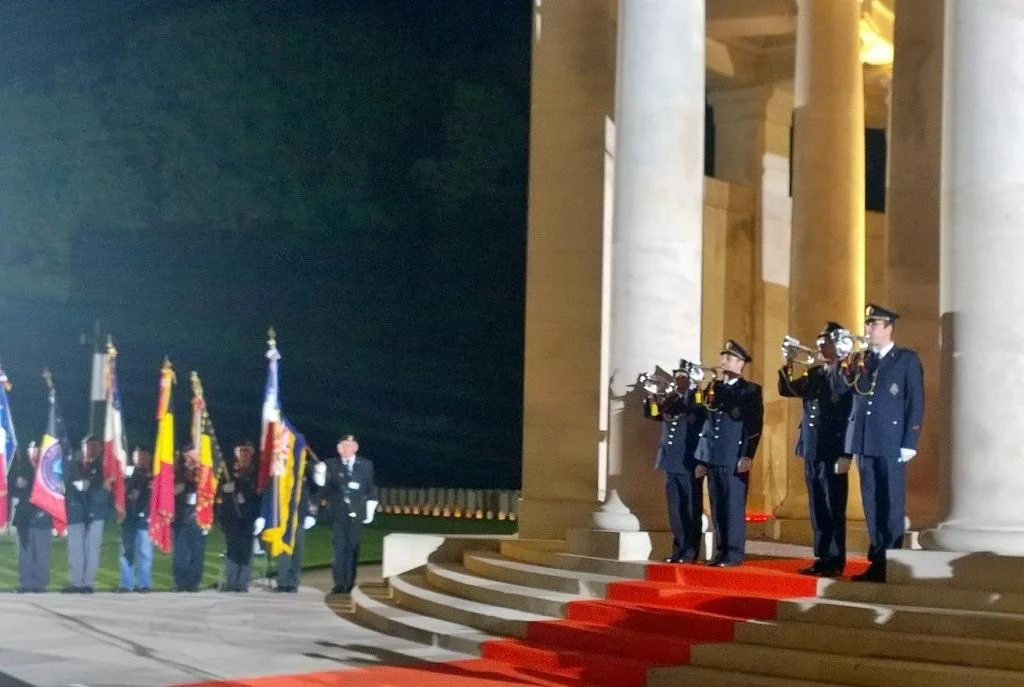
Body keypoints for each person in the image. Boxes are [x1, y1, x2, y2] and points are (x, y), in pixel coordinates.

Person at [832, 304, 924, 583]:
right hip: (865, 440)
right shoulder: (862, 360)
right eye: (868, 324)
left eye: (874, 324)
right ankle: (877, 560)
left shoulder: (905, 359)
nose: (869, 329)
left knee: (891, 503)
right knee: (872, 503)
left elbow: (915, 401)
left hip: (892, 441)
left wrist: (910, 440)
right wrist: (844, 362)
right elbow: (841, 391)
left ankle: (891, 561)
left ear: (888, 328)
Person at [779, 322, 852, 577]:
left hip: (833, 447)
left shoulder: (845, 372)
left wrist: (846, 453)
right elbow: (788, 389)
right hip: (812, 445)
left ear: (837, 345)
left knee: (834, 506)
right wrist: (789, 362)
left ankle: (835, 559)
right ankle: (822, 556)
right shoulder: (816, 373)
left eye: (825, 341)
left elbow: (848, 411)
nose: (820, 345)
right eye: (819, 341)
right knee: (818, 505)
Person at [694, 340, 764, 567]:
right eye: (723, 357)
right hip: (715, 455)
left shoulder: (750, 389)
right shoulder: (716, 388)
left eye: (729, 358)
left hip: (734, 455)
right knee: (717, 506)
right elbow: (707, 422)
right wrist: (702, 458)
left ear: (740, 363)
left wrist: (748, 455)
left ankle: (733, 553)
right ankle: (720, 551)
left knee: (733, 506)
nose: (723, 362)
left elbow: (753, 425)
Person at [643, 363, 705, 563]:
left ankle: (690, 551)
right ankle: (678, 549)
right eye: (676, 377)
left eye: (682, 377)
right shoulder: (672, 398)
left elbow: (692, 411)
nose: (678, 381)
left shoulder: (697, 399)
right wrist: (653, 395)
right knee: (675, 509)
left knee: (689, 509)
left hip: (688, 460)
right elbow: (655, 414)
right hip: (670, 460)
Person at [323, 434, 378, 594]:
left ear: (355, 448)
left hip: (357, 512)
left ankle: (350, 581)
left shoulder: (366, 465)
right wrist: (319, 475)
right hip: (338, 512)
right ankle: (339, 582)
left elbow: (370, 488)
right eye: (344, 446)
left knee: (353, 547)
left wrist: (370, 508)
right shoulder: (331, 464)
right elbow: (324, 488)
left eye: (350, 445)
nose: (347, 448)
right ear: (339, 448)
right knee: (339, 548)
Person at [64, 437, 110, 593]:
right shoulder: (74, 465)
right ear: (82, 447)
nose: (90, 449)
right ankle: (76, 582)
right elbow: (67, 483)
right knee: (75, 548)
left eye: (94, 446)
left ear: (100, 449)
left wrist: (90, 483)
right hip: (76, 511)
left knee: (91, 549)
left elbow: (105, 483)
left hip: (95, 511)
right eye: (88, 446)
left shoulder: (105, 466)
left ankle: (87, 583)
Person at [273, 458, 324, 593]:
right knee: (283, 549)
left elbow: (316, 490)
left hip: (299, 514)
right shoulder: (283, 464)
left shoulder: (306, 467)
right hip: (283, 515)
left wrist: (312, 512)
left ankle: (293, 582)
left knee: (297, 550)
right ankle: (283, 581)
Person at [216, 441, 259, 592]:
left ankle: (242, 583)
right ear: (236, 453)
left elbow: (258, 493)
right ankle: (232, 581)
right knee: (232, 549)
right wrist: (225, 490)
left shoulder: (256, 471)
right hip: (231, 517)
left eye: (247, 452)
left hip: (249, 516)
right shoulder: (227, 470)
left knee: (246, 550)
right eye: (241, 451)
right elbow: (219, 491)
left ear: (251, 454)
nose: (244, 455)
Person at [10, 442, 53, 593]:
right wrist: (16, 483)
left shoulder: (47, 468)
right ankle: (25, 583)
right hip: (24, 517)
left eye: (36, 449)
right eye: (30, 449)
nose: (33, 452)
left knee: (41, 552)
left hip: (42, 515)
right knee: (25, 553)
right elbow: (11, 488)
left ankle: (40, 584)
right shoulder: (20, 467)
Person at [118, 448, 154, 593]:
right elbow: (122, 492)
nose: (141, 459)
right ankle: (126, 584)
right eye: (138, 456)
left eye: (144, 456)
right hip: (129, 517)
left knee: (145, 552)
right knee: (127, 551)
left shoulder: (153, 475)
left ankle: (144, 584)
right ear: (133, 458)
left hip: (145, 517)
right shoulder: (128, 474)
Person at [172, 444, 206, 592]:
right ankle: (181, 583)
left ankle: (193, 583)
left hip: (198, 517)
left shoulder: (204, 471)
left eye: (192, 455)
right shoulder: (178, 470)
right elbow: (172, 489)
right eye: (187, 456)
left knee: (196, 553)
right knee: (180, 553)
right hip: (181, 516)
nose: (189, 459)